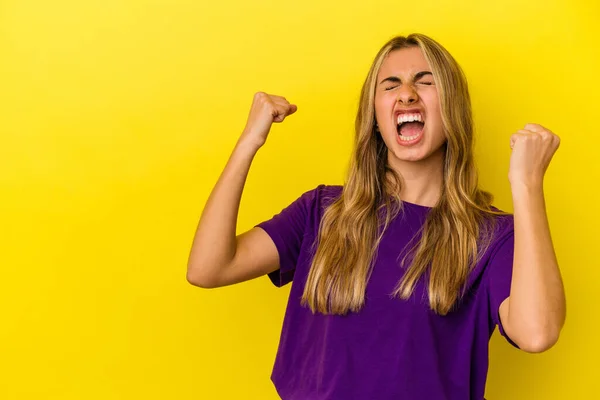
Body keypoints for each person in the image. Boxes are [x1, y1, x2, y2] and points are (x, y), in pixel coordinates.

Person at [186, 33, 566, 400]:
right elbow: (208, 269)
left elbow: (536, 334)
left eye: (425, 81)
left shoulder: (490, 235)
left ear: (452, 108)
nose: (406, 93)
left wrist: (527, 183)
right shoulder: (322, 211)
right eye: (391, 85)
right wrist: (249, 141)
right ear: (375, 117)